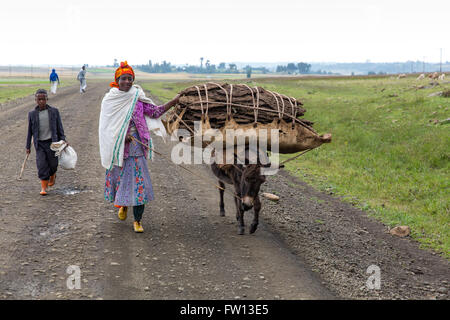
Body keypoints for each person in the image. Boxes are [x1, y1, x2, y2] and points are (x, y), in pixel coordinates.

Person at [99, 61, 180, 233]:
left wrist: (174, 101)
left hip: (138, 149)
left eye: (130, 79)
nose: (127, 82)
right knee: (122, 184)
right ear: (117, 80)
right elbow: (106, 129)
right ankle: (123, 206)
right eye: (124, 79)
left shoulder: (137, 97)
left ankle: (137, 221)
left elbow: (156, 112)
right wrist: (122, 137)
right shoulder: (110, 100)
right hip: (119, 152)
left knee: (139, 185)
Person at [26, 89, 67, 195]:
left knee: (53, 164)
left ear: (47, 99)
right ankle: (43, 188)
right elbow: (29, 131)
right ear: (35, 100)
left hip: (52, 143)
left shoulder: (54, 111)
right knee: (41, 165)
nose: (41, 102)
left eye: (43, 99)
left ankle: (53, 175)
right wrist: (28, 147)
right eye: (39, 99)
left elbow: (59, 127)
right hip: (39, 144)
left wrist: (63, 140)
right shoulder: (32, 114)